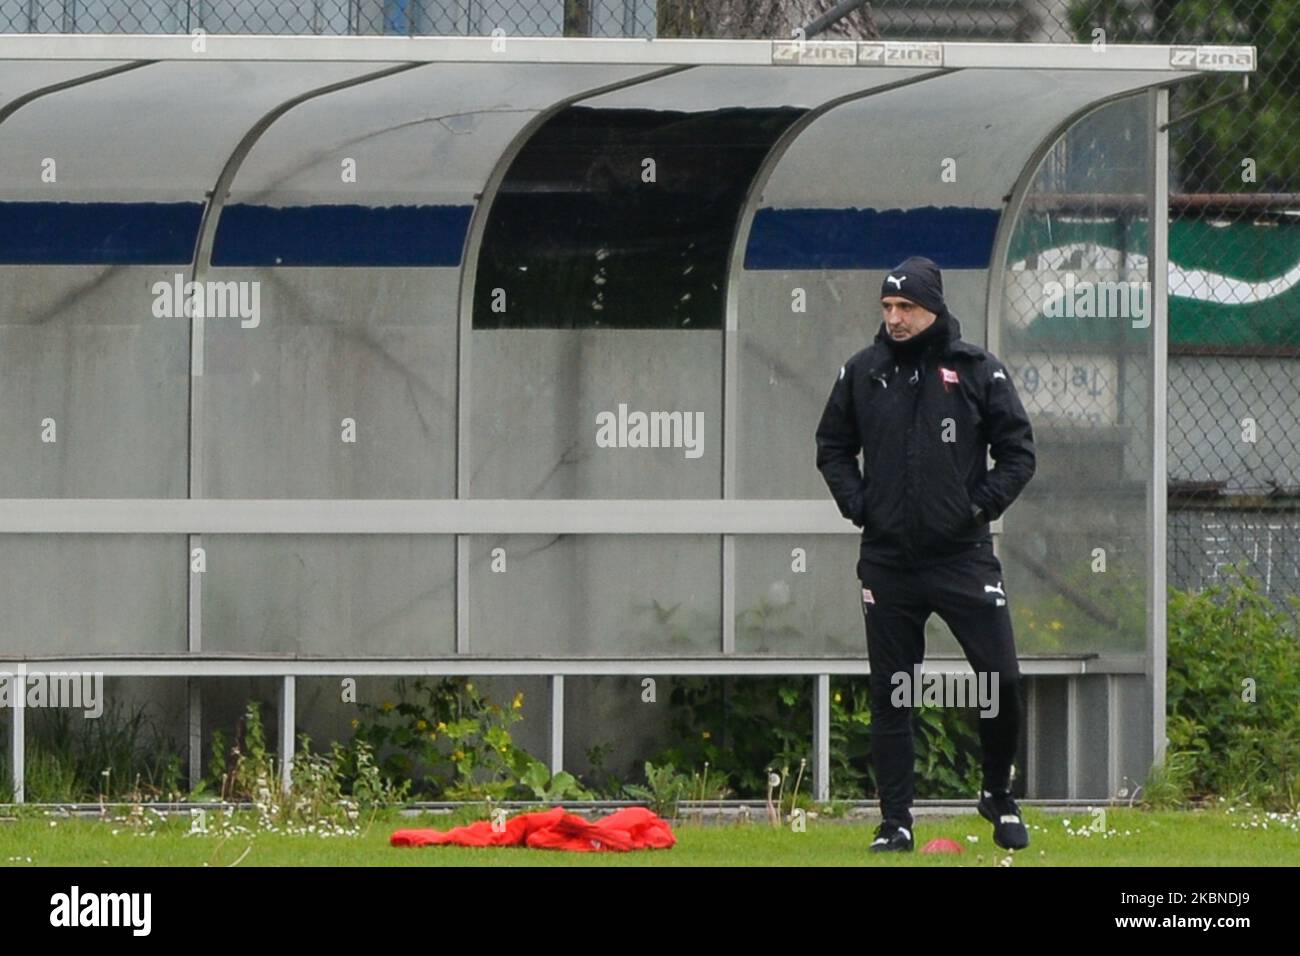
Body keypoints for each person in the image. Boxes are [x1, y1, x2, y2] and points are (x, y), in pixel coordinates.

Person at [815, 256, 1037, 853]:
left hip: (962, 557)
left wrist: (976, 506)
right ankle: (896, 823)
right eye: (887, 308)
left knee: (1002, 679)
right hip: (888, 562)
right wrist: (859, 505)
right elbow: (832, 445)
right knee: (893, 690)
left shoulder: (976, 370)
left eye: (906, 307)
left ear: (932, 308)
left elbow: (1018, 452)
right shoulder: (863, 372)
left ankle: (998, 793)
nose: (895, 318)